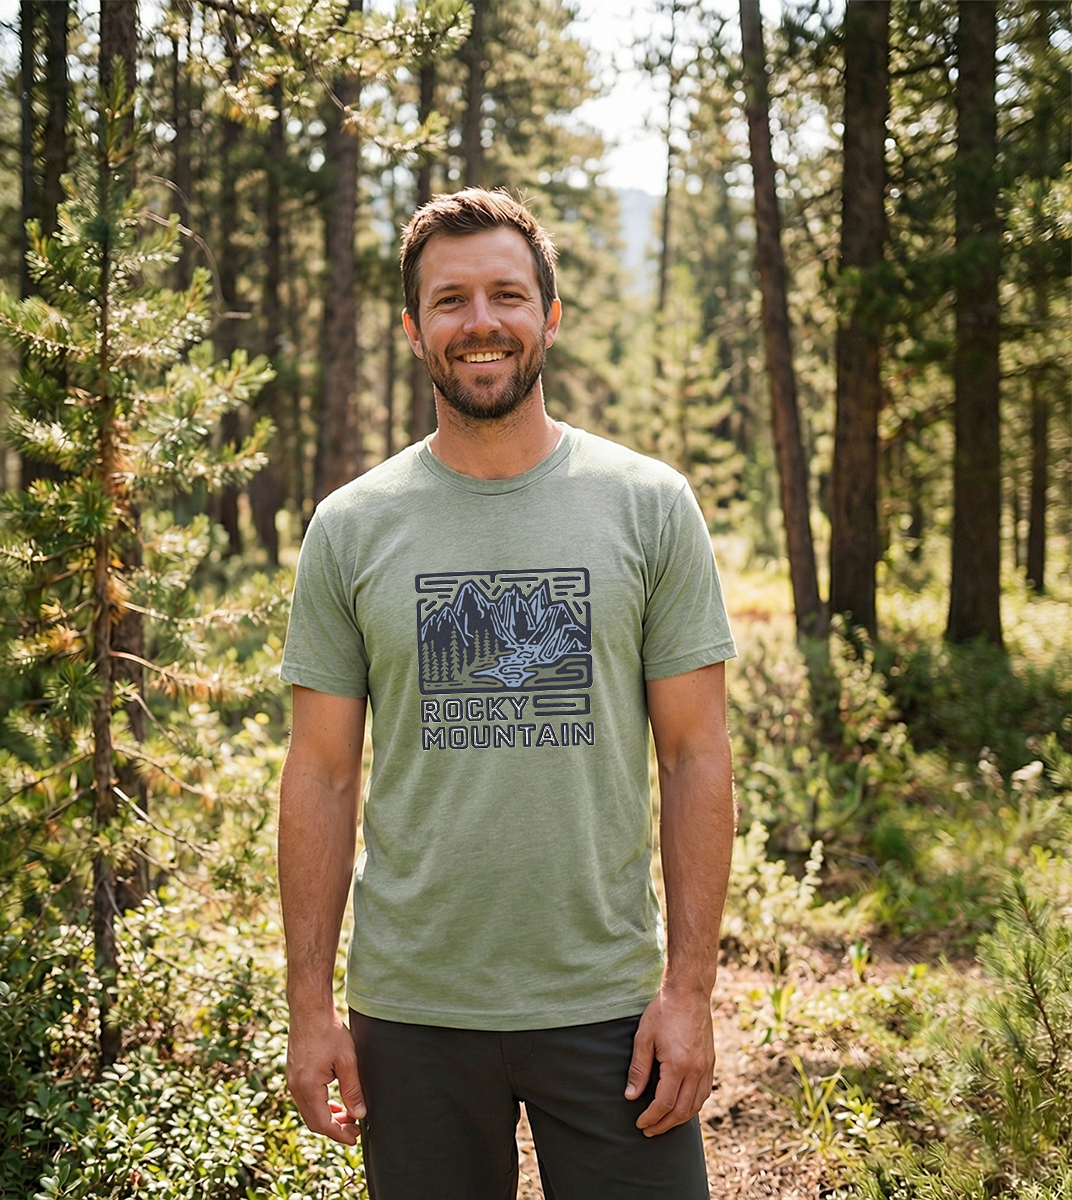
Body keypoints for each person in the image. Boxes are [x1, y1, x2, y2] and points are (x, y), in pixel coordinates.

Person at [278, 188, 736, 1200]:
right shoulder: (351, 527)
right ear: (413, 329)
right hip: (415, 1010)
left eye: (506, 295)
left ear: (549, 316)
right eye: (449, 301)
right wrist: (312, 1011)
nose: (480, 322)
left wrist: (689, 991)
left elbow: (695, 753)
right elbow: (319, 771)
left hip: (610, 1007)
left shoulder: (647, 506)